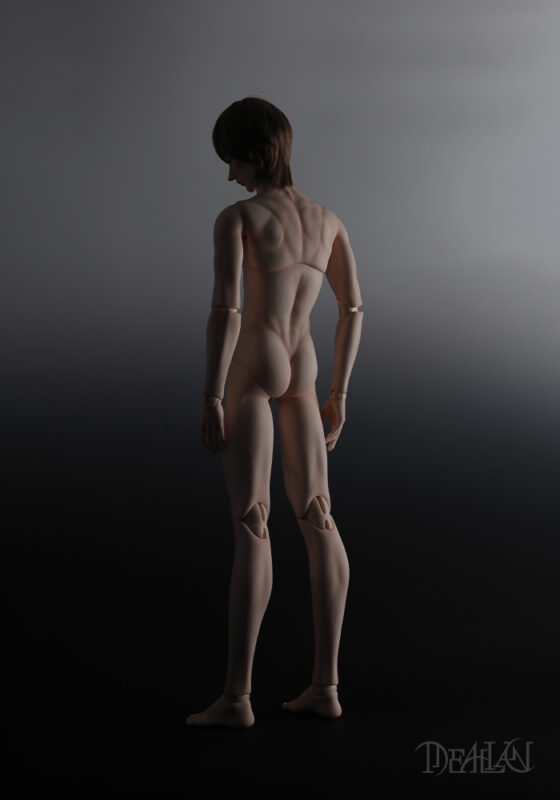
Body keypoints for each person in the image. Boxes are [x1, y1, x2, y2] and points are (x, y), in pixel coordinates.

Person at [186, 97, 363, 728]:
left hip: (255, 365)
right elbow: (352, 309)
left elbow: (227, 311)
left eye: (231, 158)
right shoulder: (327, 219)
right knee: (318, 513)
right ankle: (326, 686)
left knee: (252, 522)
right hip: (304, 367)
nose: (228, 173)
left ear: (252, 152)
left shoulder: (238, 217)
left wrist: (212, 393)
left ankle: (237, 699)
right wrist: (340, 391)